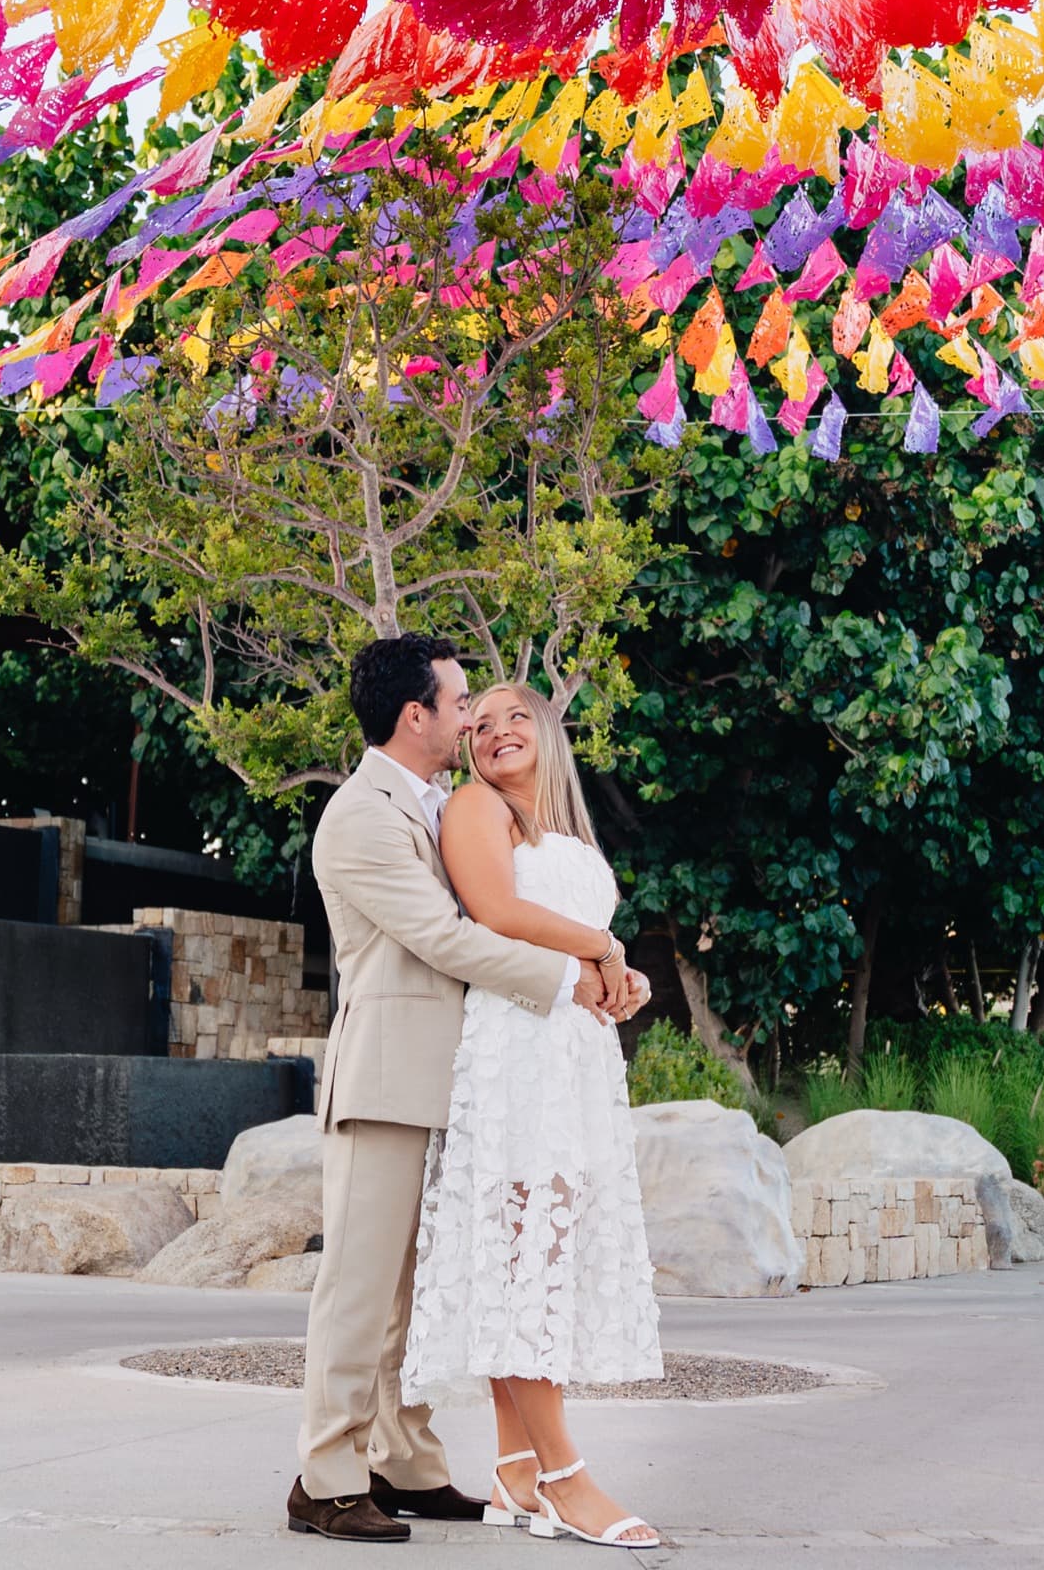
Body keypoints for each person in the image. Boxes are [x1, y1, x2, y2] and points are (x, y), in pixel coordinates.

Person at [289, 635, 649, 1545]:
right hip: (385, 1077)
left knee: (409, 1292)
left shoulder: (439, 802)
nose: (469, 722)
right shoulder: (362, 816)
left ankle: (403, 1462)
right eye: (459, 706)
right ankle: (325, 1477)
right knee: (359, 1288)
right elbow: (447, 941)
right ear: (416, 715)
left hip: (449, 1077)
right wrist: (578, 975)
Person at [398, 679, 666, 1550]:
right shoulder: (475, 808)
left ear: (550, 735)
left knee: (537, 1255)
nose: (496, 733)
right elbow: (499, 913)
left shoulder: (566, 833)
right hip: (517, 1050)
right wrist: (605, 949)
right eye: (479, 725)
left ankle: (516, 1473)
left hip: (573, 1056)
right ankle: (565, 1477)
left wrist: (625, 981)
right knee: (525, 1260)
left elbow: (574, 929)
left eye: (518, 717)